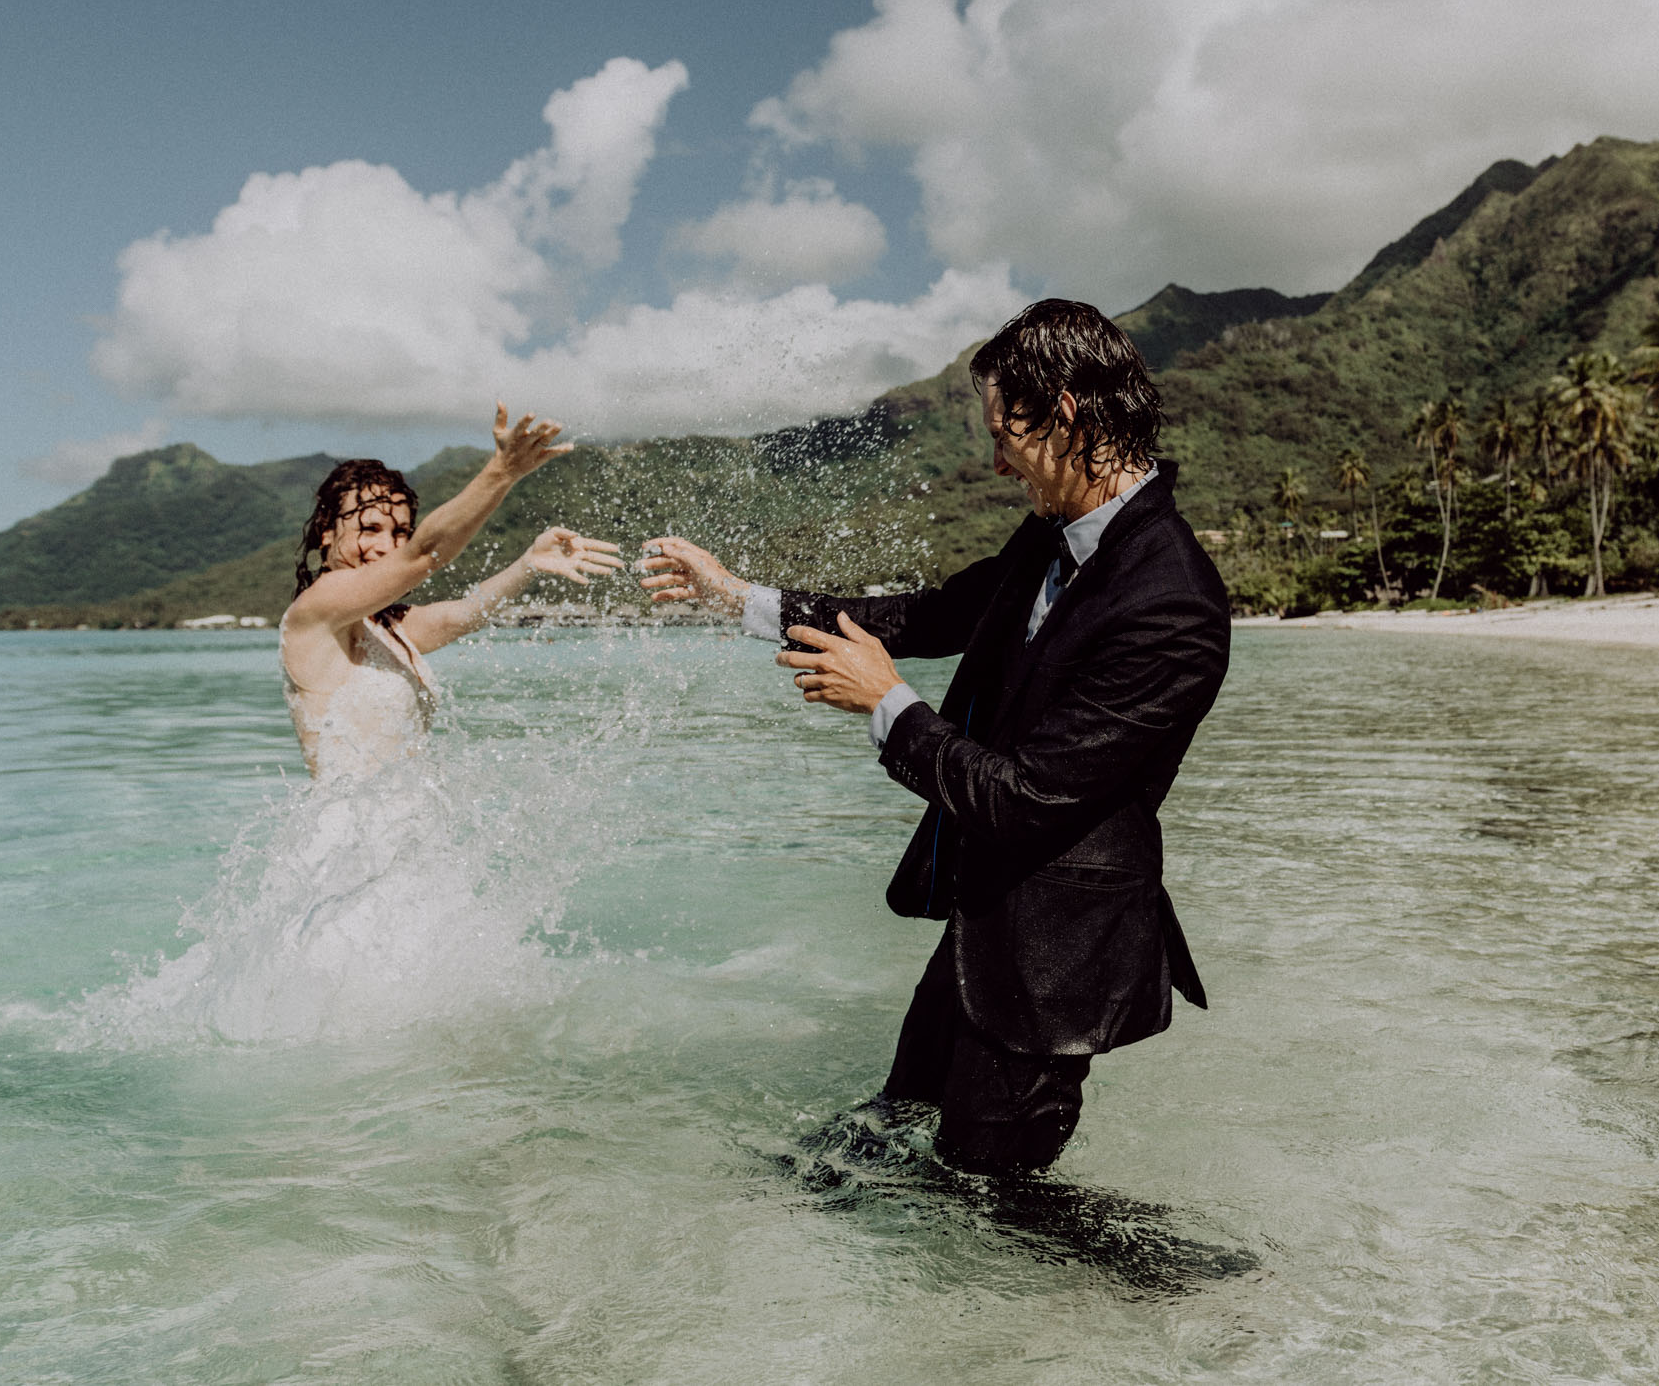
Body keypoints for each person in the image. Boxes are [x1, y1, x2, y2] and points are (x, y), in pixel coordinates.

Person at [640, 300, 1231, 1174]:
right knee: (870, 1149)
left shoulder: (1172, 599)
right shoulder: (1057, 535)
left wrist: (888, 704)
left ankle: (1183, 1263)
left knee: (988, 1209)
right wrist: (740, 598)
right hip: (983, 931)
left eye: (1002, 435)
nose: (995, 463)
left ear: (1065, 415)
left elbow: (1028, 798)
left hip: (1053, 970)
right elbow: (933, 613)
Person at [279, 403, 621, 781]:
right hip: (349, 819)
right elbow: (423, 555)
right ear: (327, 531)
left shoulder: (384, 627)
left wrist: (528, 564)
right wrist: (502, 472)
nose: (387, 546)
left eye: (400, 532)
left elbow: (461, 614)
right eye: (370, 529)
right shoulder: (316, 610)